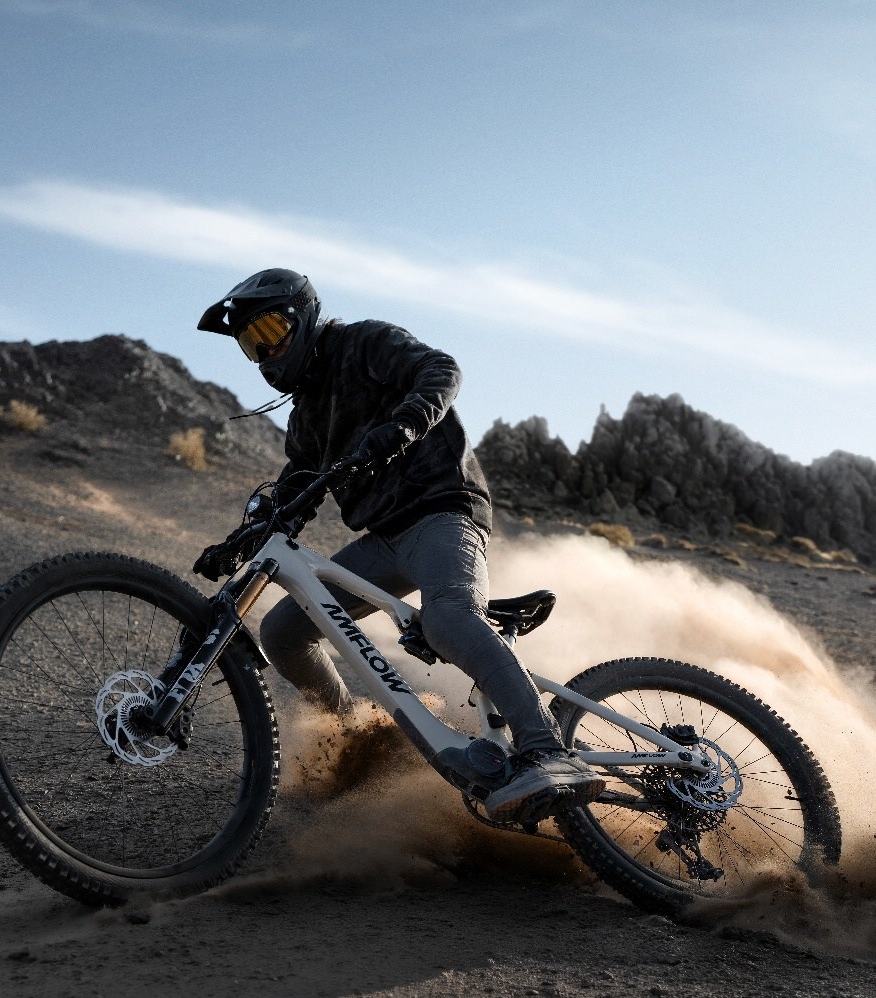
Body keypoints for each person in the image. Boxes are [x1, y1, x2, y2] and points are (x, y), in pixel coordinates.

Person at [193, 268, 604, 823]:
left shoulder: (362, 342)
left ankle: (549, 751)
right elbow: (297, 488)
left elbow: (441, 369)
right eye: (251, 343)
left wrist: (405, 425)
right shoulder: (307, 414)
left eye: (270, 331)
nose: (265, 352)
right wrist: (240, 541)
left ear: (303, 316)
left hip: (443, 510)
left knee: (448, 618)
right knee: (283, 632)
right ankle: (353, 740)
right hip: (386, 539)